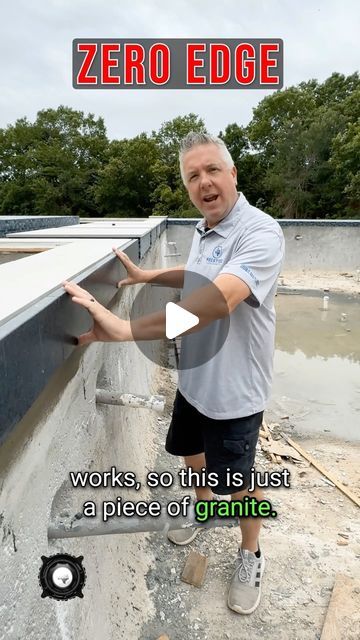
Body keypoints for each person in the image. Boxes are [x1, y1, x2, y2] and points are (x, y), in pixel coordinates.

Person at [63, 131, 284, 615]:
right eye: (192, 176)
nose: (204, 182)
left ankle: (251, 553)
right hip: (196, 381)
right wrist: (149, 276)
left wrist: (127, 329)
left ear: (233, 175)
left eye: (211, 170)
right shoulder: (206, 229)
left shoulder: (261, 233)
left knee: (241, 482)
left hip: (235, 395)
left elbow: (218, 298)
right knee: (191, 453)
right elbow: (196, 273)